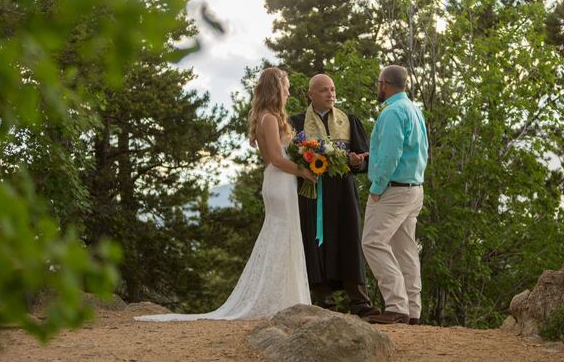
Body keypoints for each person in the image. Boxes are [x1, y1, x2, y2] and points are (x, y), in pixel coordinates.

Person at [135, 67, 315, 322]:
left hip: (278, 182)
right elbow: (275, 158)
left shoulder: (265, 116)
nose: (288, 90)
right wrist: (304, 171)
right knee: (281, 234)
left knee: (280, 233)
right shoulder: (270, 119)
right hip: (280, 181)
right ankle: (279, 298)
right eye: (285, 85)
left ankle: (284, 296)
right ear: (276, 88)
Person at [289, 74, 379, 318]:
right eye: (324, 90)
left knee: (349, 239)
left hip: (342, 191)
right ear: (310, 94)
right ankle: (324, 302)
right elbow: (290, 159)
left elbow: (364, 159)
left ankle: (360, 302)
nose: (331, 94)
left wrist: (356, 161)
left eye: (333, 89)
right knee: (315, 241)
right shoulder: (296, 123)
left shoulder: (349, 120)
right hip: (312, 191)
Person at [362, 65, 428, 325]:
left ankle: (396, 305)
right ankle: (413, 311)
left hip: (393, 190)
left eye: (379, 82)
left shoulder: (392, 113)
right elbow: (416, 150)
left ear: (384, 84)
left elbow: (391, 155)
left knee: (372, 242)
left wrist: (377, 187)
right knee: (405, 249)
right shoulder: (414, 110)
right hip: (414, 189)